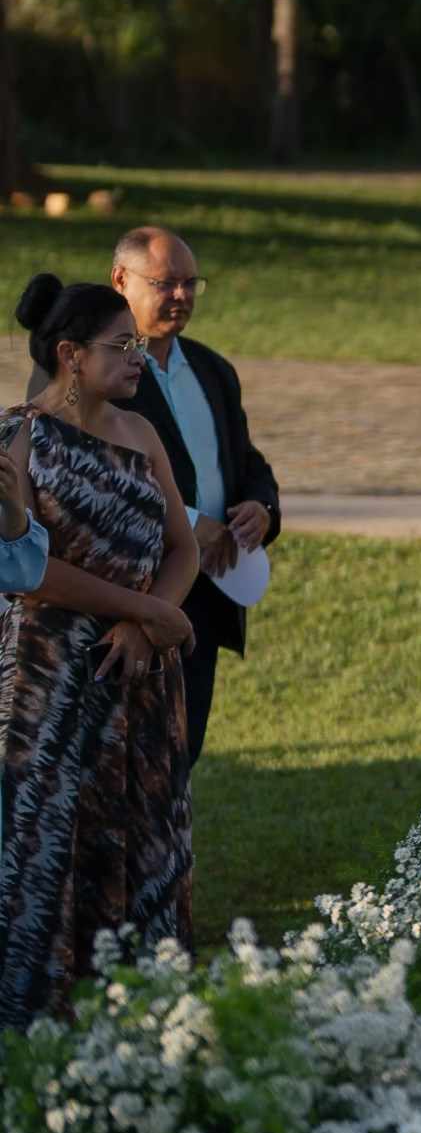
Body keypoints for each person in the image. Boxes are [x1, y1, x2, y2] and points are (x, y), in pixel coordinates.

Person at [0, 274, 200, 1027]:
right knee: (51, 847)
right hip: (50, 686)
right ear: (70, 355)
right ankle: (42, 1024)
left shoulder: (141, 433)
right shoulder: (14, 436)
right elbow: (28, 572)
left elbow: (182, 547)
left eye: (139, 345)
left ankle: (150, 1023)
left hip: (141, 678)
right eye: (122, 346)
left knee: (147, 842)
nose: (138, 359)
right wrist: (146, 608)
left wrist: (150, 626)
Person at [106, 227, 279, 767]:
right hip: (128, 591)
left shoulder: (212, 369)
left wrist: (262, 507)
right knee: (123, 760)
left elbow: (246, 461)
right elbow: (87, 482)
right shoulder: (90, 370)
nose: (181, 296)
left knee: (182, 754)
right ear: (121, 281)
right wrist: (185, 521)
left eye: (190, 284)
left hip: (207, 592)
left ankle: (171, 854)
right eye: (165, 283)